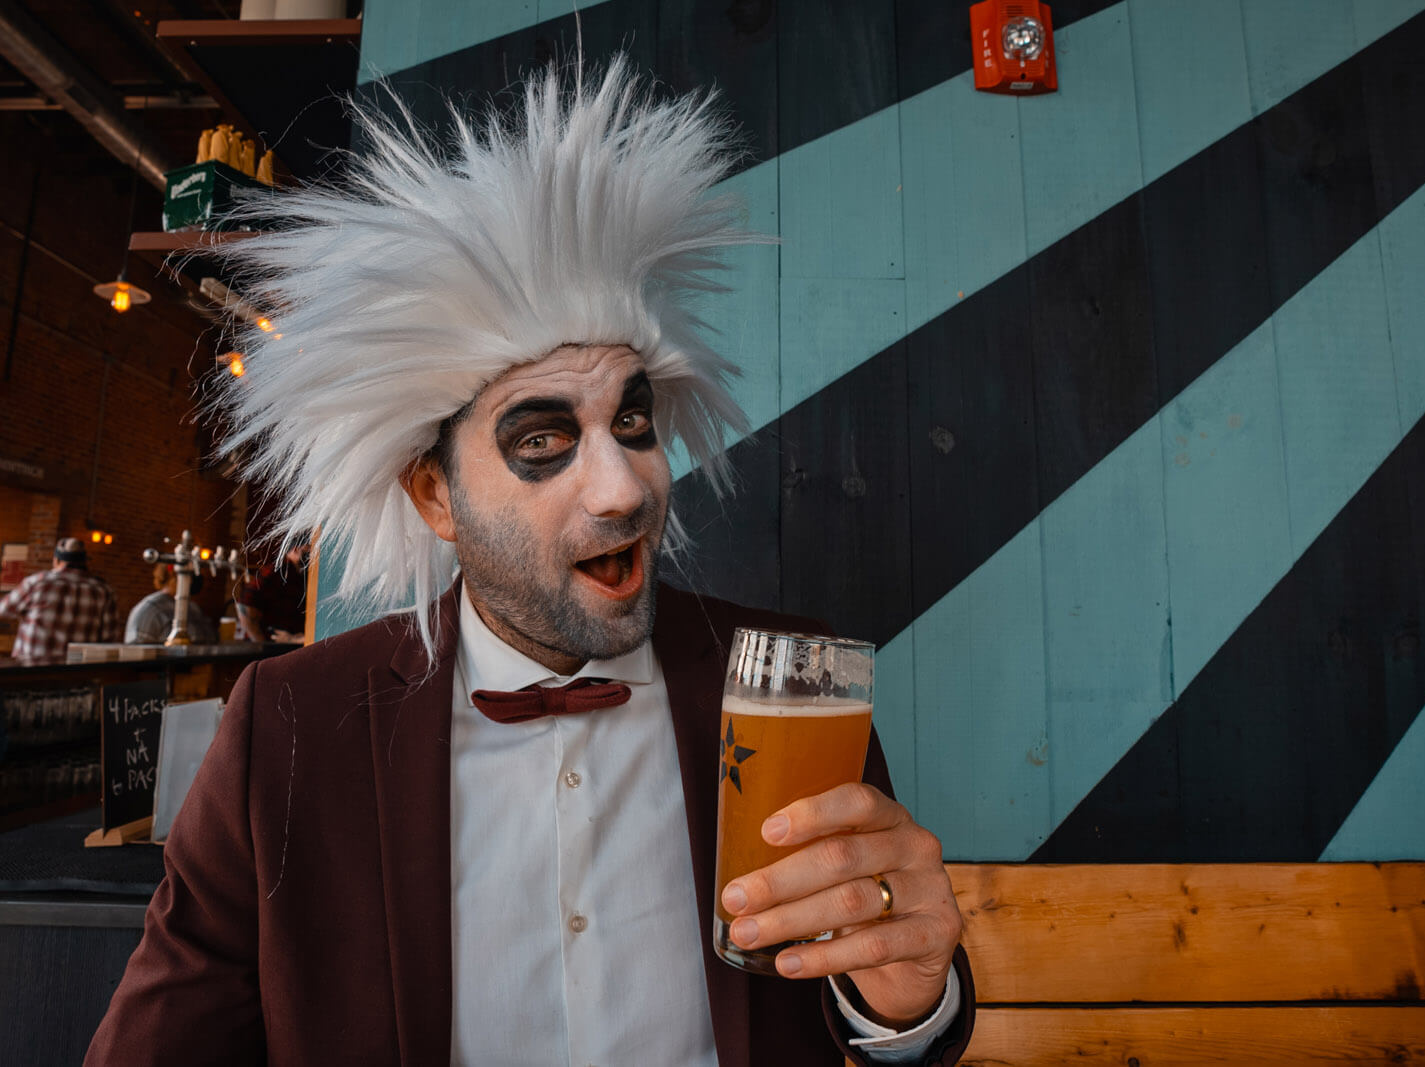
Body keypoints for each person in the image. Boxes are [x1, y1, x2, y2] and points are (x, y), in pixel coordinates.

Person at [87, 58, 972, 1066]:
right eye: (544, 440)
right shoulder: (285, 727)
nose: (625, 488)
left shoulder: (790, 685)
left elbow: (874, 1003)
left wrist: (909, 1002)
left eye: (632, 421)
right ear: (434, 494)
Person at [0, 537, 117, 662]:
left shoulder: (37, 583)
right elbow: (109, 637)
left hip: (31, 669)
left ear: (56, 560)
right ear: (84, 562)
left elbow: (3, 610)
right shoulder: (103, 590)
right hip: (76, 672)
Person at [124, 563, 219, 645]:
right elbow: (137, 654)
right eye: (191, 573)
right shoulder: (150, 609)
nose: (193, 579)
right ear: (174, 574)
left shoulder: (194, 609)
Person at [233, 542, 308, 643]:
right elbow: (244, 603)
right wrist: (261, 644)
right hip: (272, 647)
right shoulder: (279, 570)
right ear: (295, 550)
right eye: (309, 550)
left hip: (289, 646)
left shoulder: (301, 577)